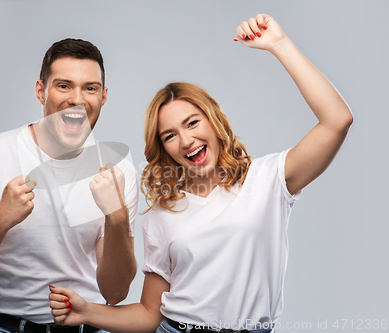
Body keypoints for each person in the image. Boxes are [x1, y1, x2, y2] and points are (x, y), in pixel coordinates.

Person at [48, 14, 353, 333]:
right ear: (163, 148)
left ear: (214, 121)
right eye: (169, 135)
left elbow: (337, 121)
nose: (186, 140)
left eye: (192, 123)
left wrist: (279, 44)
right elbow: (151, 313)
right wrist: (87, 311)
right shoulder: (161, 216)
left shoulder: (268, 180)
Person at [0, 38, 139, 333]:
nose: (77, 99)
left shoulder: (118, 170)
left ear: (104, 96)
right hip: (4, 327)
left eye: (90, 88)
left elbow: (115, 292)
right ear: (40, 91)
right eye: (64, 86)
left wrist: (117, 215)